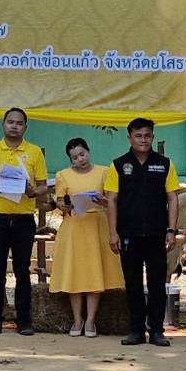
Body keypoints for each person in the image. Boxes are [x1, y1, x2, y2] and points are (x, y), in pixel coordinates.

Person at [0, 108, 49, 336]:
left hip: (24, 219)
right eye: (10, 122)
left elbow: (44, 187)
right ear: (3, 125)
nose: (14, 126)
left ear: (25, 127)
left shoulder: (34, 152)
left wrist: (32, 190)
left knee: (22, 271)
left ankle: (24, 320)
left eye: (19, 123)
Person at [104, 117, 179, 346]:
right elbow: (111, 201)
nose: (143, 140)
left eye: (147, 135)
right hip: (128, 234)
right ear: (129, 138)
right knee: (133, 284)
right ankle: (136, 330)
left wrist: (172, 230)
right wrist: (113, 233)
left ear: (152, 137)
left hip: (156, 234)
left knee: (157, 283)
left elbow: (173, 198)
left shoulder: (165, 164)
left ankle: (156, 330)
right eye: (138, 136)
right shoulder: (118, 165)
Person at [51, 138, 120, 337]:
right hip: (74, 225)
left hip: (96, 224)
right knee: (75, 272)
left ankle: (90, 320)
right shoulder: (63, 175)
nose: (80, 159)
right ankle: (77, 319)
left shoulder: (105, 172)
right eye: (75, 157)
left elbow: (112, 201)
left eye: (82, 154)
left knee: (93, 271)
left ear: (88, 152)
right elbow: (60, 202)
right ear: (70, 159)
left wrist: (103, 201)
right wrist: (63, 205)